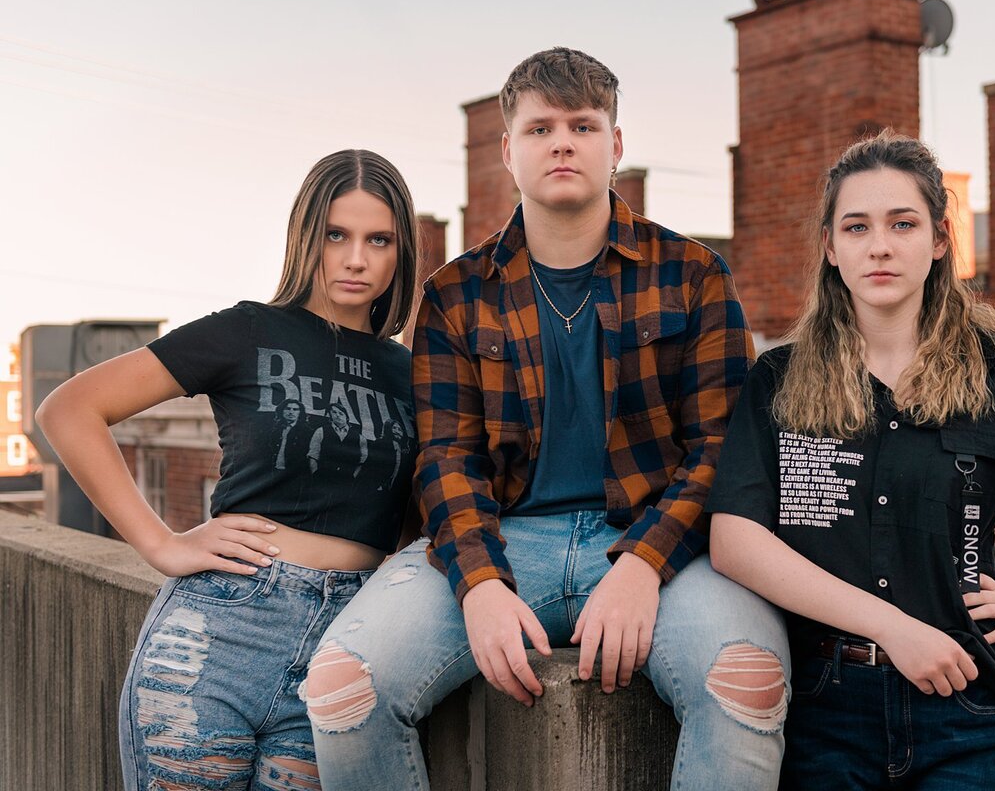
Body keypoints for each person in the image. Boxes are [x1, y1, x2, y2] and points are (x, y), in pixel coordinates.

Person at [304, 47, 791, 790]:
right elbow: (446, 459)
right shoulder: (454, 293)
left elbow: (721, 449)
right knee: (343, 686)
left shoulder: (694, 274)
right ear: (509, 149)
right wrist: (481, 585)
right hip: (505, 539)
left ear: (615, 145)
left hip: (662, 545)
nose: (562, 141)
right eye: (539, 129)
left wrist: (641, 566)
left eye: (583, 125)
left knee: (747, 684)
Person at [705, 130, 995, 790]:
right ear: (831, 248)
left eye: (903, 223)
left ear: (940, 240)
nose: (880, 245)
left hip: (970, 711)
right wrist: (893, 628)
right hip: (825, 713)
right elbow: (736, 542)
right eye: (856, 227)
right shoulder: (779, 381)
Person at [36, 149, 422, 791]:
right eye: (336, 235)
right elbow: (71, 409)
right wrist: (162, 543)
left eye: (378, 239)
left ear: (400, 250)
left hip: (343, 652)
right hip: (217, 638)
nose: (356, 258)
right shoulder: (248, 331)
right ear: (306, 238)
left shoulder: (410, 373)